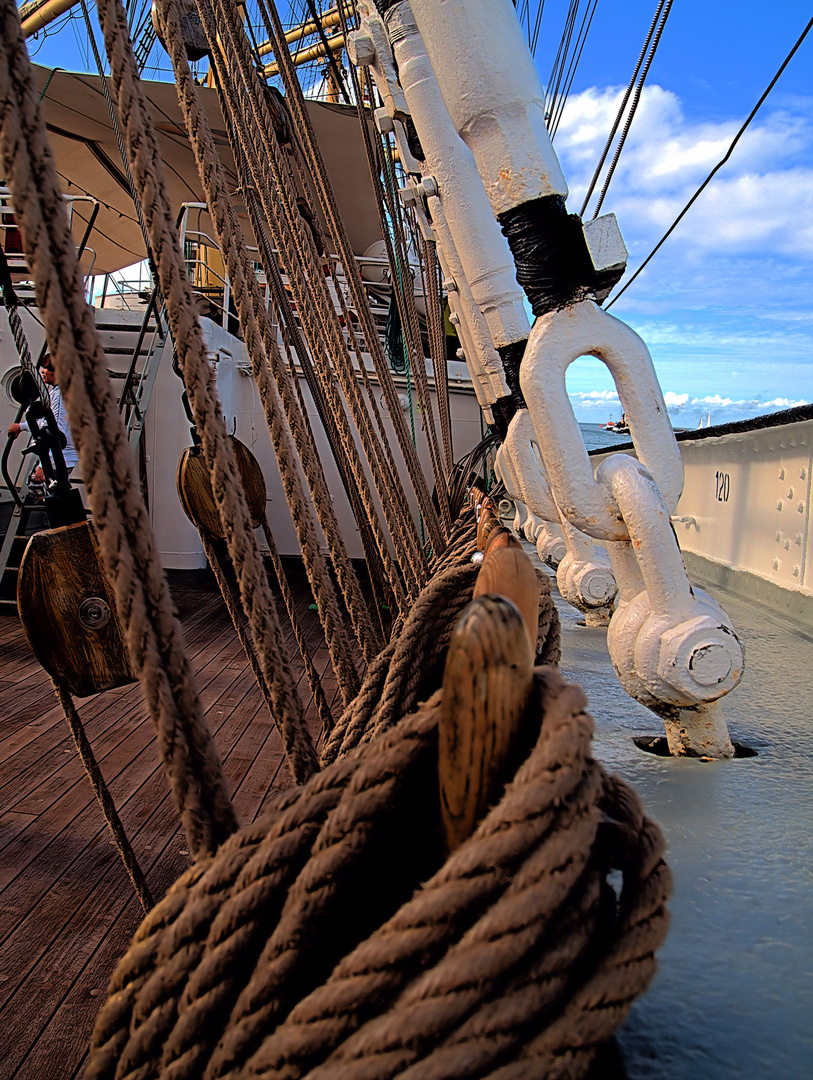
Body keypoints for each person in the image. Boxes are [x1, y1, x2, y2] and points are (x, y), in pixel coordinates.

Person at [7, 355, 78, 487]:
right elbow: (46, 422)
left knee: (37, 488)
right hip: (60, 456)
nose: (42, 372)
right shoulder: (58, 392)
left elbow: (55, 432)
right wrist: (21, 426)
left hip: (60, 458)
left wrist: (44, 466)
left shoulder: (60, 397)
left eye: (45, 369)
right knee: (39, 490)